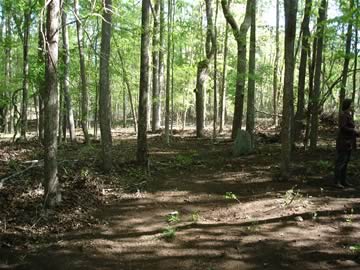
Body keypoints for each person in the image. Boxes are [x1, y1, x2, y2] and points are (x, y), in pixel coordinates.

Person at [334, 98, 359, 188]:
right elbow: (343, 127)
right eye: (351, 104)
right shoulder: (344, 115)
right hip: (343, 142)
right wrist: (354, 130)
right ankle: (337, 182)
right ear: (348, 105)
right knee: (341, 162)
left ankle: (343, 181)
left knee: (345, 162)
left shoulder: (348, 115)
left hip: (348, 142)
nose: (353, 106)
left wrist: (356, 132)